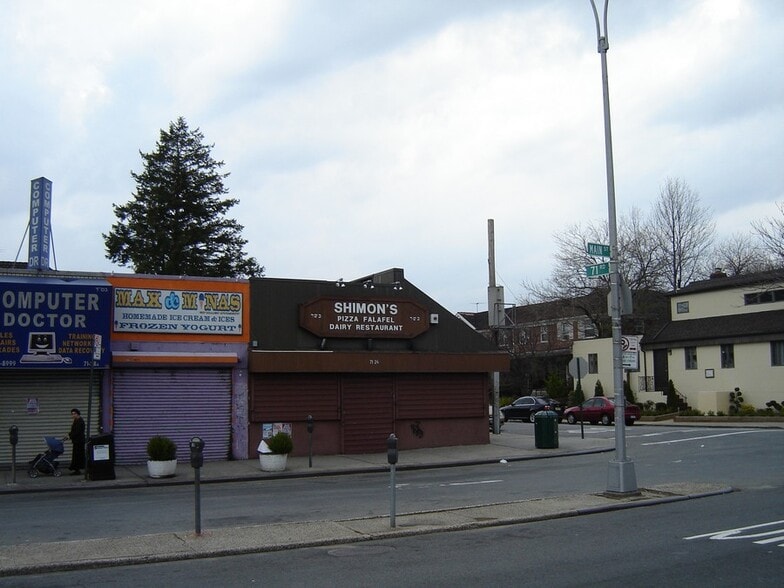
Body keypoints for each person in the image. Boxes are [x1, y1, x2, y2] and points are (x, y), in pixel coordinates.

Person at [64, 408, 86, 475]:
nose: (73, 415)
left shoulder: (80, 421)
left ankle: (78, 469)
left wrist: (70, 436)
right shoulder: (76, 420)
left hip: (79, 441)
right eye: (72, 414)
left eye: (74, 414)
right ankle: (77, 469)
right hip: (76, 441)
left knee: (78, 455)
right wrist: (69, 434)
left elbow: (77, 432)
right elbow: (73, 430)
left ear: (77, 414)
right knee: (77, 455)